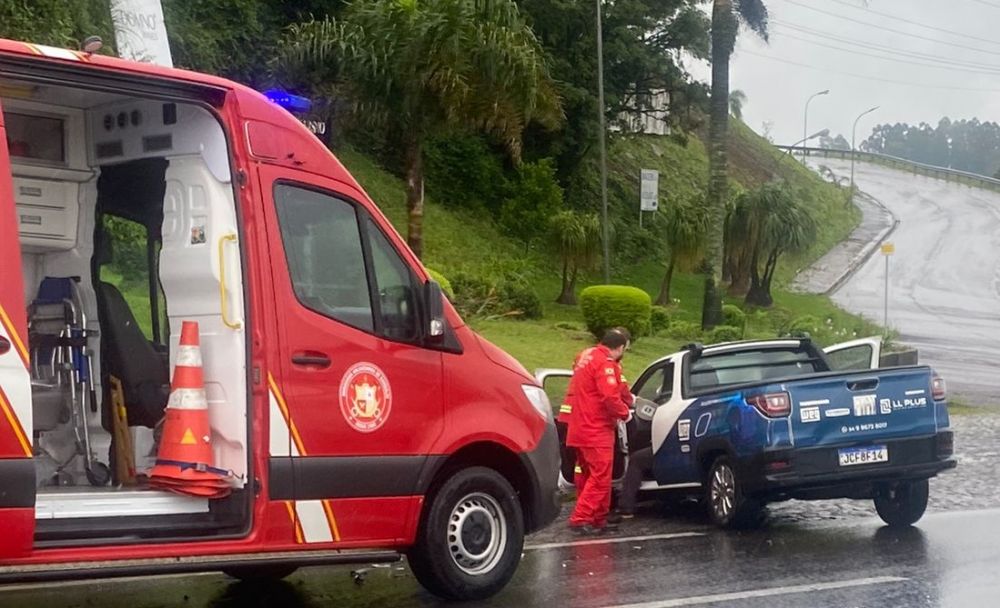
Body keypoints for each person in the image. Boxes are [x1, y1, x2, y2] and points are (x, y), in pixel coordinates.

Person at [566, 327, 633, 535]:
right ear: (620, 347)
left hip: (578, 427)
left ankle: (598, 519)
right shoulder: (606, 364)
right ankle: (581, 518)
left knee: (588, 475)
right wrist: (626, 413)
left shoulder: (585, 356)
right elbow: (610, 397)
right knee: (600, 477)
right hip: (596, 429)